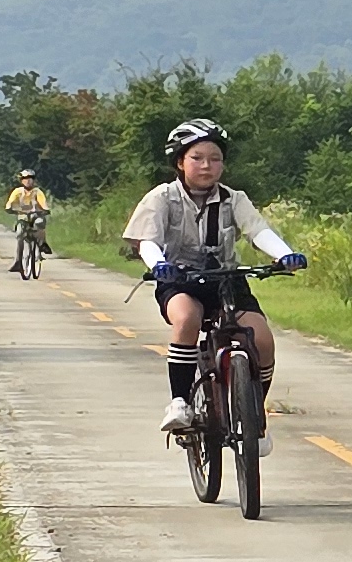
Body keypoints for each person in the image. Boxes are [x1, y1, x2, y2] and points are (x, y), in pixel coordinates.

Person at [120, 121, 307, 439]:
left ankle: (254, 418)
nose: (207, 165)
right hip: (180, 279)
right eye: (197, 157)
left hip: (225, 279)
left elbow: (257, 230)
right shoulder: (162, 198)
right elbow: (147, 240)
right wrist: (160, 264)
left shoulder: (234, 199)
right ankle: (179, 402)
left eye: (215, 158)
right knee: (187, 317)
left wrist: (284, 255)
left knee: (261, 339)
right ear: (180, 161)